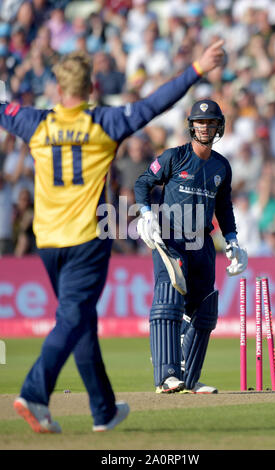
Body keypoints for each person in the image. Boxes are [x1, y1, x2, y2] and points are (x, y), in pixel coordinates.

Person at [0, 41, 225, 432]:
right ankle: (35, 394)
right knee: (73, 317)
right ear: (91, 88)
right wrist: (197, 69)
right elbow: (155, 103)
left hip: (47, 241)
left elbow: (5, 112)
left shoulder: (35, 122)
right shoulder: (103, 122)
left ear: (56, 89)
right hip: (86, 239)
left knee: (81, 319)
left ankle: (103, 409)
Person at [134, 98, 248, 394]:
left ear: (219, 126)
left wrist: (232, 239)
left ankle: (191, 378)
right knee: (170, 298)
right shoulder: (174, 156)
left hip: (203, 241)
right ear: (191, 126)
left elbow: (224, 207)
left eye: (211, 123)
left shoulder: (222, 166)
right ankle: (166, 375)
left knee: (204, 309)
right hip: (171, 237)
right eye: (200, 122)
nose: (205, 127)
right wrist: (146, 215)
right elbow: (142, 183)